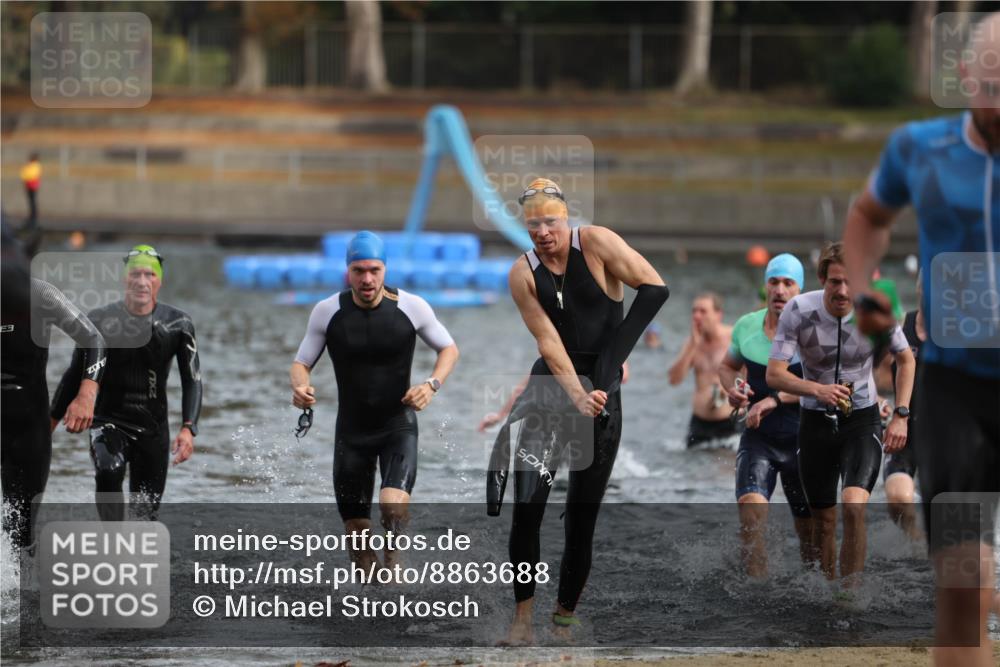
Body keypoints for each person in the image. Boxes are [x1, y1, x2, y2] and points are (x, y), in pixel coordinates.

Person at [840, 13, 1000, 662]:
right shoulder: (919, 148)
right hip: (956, 394)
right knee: (965, 582)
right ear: (963, 76)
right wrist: (858, 298)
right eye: (991, 83)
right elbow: (868, 216)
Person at [487, 178, 668, 644]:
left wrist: (607, 368)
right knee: (527, 508)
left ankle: (563, 620)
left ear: (566, 217)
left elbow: (654, 289)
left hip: (604, 393)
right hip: (552, 391)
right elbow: (548, 342)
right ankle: (523, 620)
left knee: (580, 516)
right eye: (533, 224)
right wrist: (576, 392)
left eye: (551, 221)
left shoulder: (598, 243)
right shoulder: (522, 273)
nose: (543, 231)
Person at [291, 231, 459, 573]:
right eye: (359, 271)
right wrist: (300, 387)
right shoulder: (327, 311)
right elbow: (301, 362)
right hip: (351, 434)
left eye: (374, 270)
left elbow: (449, 349)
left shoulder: (411, 307)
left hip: (397, 427)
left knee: (392, 507)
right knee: (357, 534)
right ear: (348, 271)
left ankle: (396, 570)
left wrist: (432, 383)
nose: (367, 279)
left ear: (385, 269)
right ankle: (373, 598)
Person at [766, 242, 914, 589]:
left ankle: (850, 596)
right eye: (835, 282)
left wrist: (901, 415)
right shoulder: (799, 310)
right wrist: (817, 390)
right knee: (824, 522)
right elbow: (775, 374)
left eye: (850, 282)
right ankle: (826, 595)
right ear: (822, 280)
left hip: (861, 420)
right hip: (815, 421)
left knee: (853, 505)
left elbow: (906, 360)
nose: (843, 291)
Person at [51, 245, 202, 522]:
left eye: (149, 275)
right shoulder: (99, 320)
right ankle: (111, 544)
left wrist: (188, 428)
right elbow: (75, 374)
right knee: (109, 469)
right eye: (135, 274)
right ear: (125, 279)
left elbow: (192, 379)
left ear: (159, 280)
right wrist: (49, 422)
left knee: (145, 518)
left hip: (153, 430)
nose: (142, 282)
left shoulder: (178, 324)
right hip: (108, 421)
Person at [1, 221, 106, 549]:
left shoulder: (41, 293)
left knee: (21, 534)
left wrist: (86, 394)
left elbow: (93, 338)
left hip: (28, 428)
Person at [718, 253, 815, 577]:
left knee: (810, 536)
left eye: (789, 283)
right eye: (774, 282)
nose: (780, 290)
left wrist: (772, 400)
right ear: (766, 287)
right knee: (751, 517)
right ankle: (756, 593)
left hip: (805, 441)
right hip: (759, 438)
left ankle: (815, 590)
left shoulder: (814, 332)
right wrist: (732, 390)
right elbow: (727, 366)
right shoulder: (747, 325)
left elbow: (820, 384)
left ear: (800, 290)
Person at [881, 272, 924, 541]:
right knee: (897, 499)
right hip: (905, 430)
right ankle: (917, 544)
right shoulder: (900, 326)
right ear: (919, 288)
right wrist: (874, 398)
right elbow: (866, 367)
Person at [668, 293, 737, 448]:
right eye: (694, 311)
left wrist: (729, 389)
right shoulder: (692, 343)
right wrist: (693, 344)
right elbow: (674, 380)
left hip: (730, 422)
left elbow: (753, 374)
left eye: (703, 311)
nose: (697, 316)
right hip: (700, 423)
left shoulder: (734, 337)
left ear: (718, 315)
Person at [19, 152, 41, 227]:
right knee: (31, 202)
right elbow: (23, 174)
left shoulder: (35, 166)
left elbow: (30, 175)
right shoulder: (30, 165)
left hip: (32, 186)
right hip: (28, 185)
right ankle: (32, 216)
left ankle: (33, 217)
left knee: (33, 202)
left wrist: (26, 175)